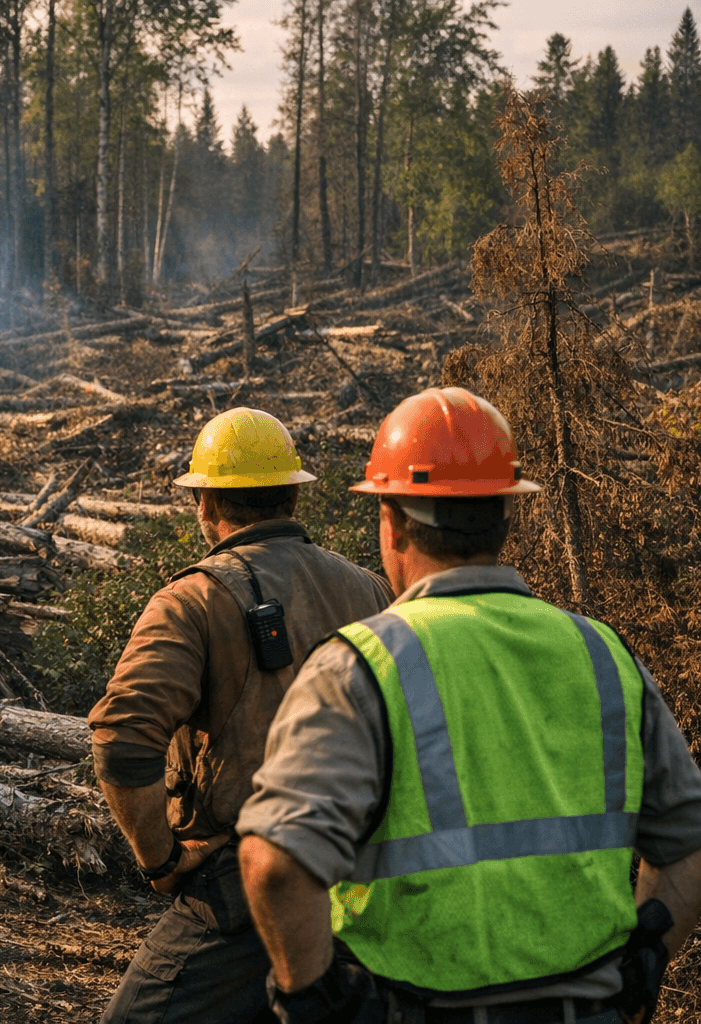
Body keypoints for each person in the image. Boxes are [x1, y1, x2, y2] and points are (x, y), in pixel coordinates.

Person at [237, 386, 701, 1024]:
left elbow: (276, 866)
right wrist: (641, 969)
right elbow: (687, 841)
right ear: (505, 518)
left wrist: (315, 1000)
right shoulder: (602, 655)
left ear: (393, 521)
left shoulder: (357, 667)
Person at [89, 407, 394, 1024]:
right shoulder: (371, 589)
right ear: (294, 497)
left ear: (205, 505)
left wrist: (163, 862)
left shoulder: (193, 600)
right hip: (366, 870)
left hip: (245, 882)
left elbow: (122, 743)